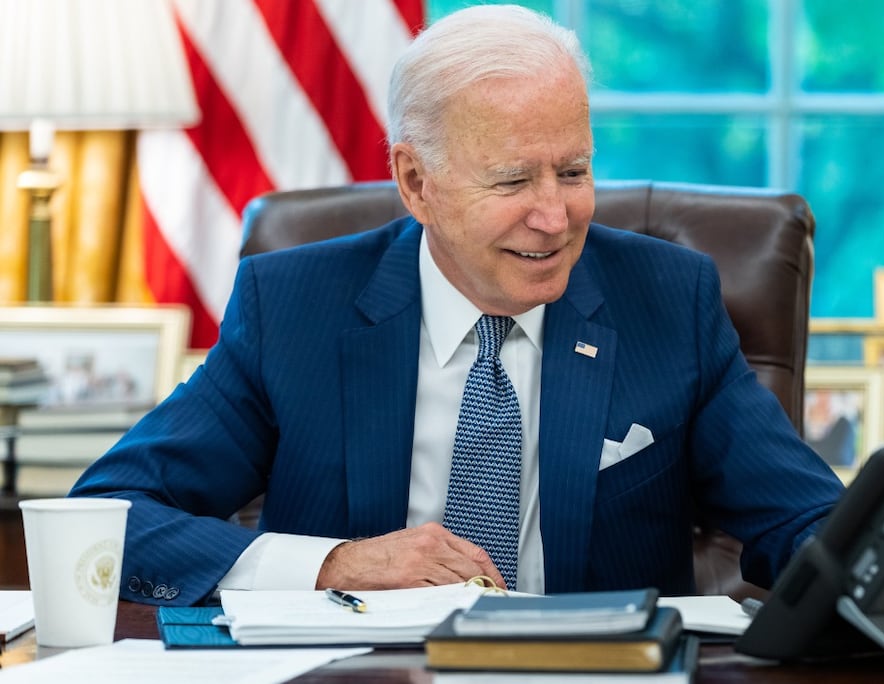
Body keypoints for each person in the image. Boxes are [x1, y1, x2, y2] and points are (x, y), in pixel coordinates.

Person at [69, 4, 842, 605]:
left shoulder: (669, 300)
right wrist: (333, 564)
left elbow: (803, 520)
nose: (554, 215)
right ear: (416, 183)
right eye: (511, 182)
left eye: (572, 171)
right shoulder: (295, 307)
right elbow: (106, 518)